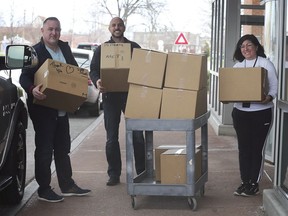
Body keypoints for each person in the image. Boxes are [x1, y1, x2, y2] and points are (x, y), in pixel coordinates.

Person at [20, 17, 91, 202]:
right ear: (42, 31)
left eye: (57, 29)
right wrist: (32, 89)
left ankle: (67, 184)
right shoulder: (34, 51)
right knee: (44, 150)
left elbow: (74, 70)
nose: (54, 33)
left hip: (62, 108)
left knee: (63, 148)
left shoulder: (64, 48)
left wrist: (83, 80)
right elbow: (24, 77)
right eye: (50, 29)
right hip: (43, 109)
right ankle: (43, 189)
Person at [90, 17, 146, 186]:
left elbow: (145, 69)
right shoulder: (102, 50)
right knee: (111, 138)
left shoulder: (134, 48)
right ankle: (114, 174)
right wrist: (97, 81)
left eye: (119, 25)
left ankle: (142, 171)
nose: (117, 27)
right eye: (114, 25)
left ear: (124, 27)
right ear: (109, 28)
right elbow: (93, 70)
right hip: (110, 97)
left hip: (131, 96)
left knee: (137, 136)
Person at [231, 34, 278, 197]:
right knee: (243, 148)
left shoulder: (266, 64)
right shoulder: (237, 67)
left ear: (257, 47)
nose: (246, 49)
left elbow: (274, 87)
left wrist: (269, 97)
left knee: (256, 149)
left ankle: (253, 183)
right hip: (240, 113)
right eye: (242, 46)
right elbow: (232, 89)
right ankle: (244, 182)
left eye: (249, 45)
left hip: (261, 113)